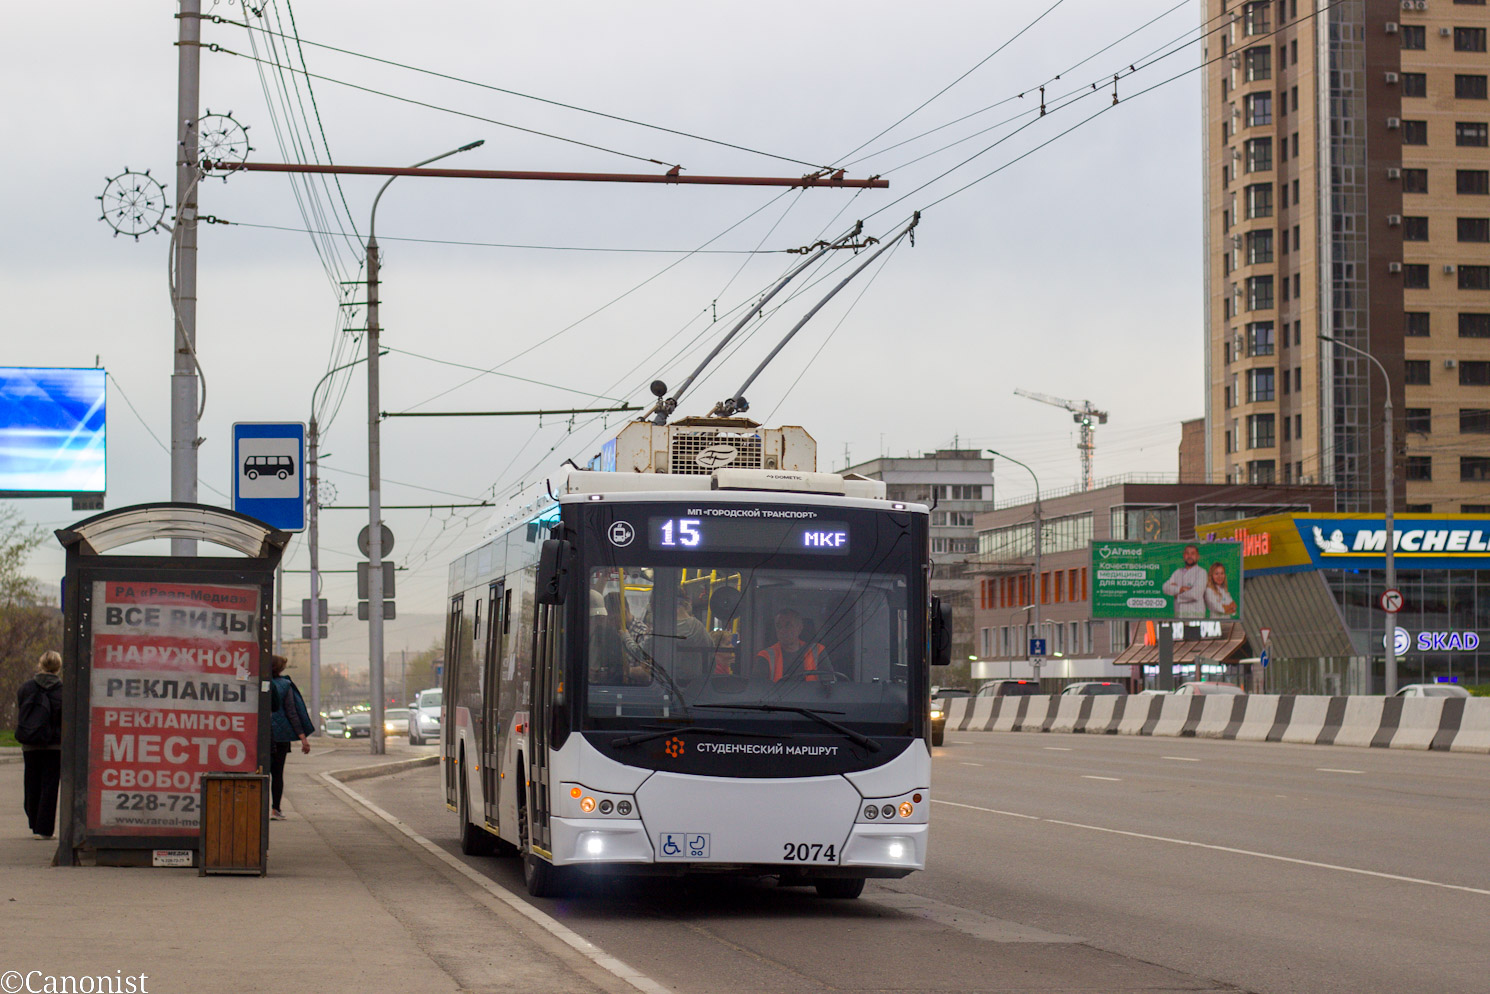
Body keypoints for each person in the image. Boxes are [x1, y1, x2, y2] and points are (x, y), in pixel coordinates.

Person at [16, 650, 63, 839]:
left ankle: (34, 820)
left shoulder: (26, 688)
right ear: (58, 667)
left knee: (31, 782)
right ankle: (44, 829)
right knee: (49, 785)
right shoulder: (63, 690)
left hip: (31, 743)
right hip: (54, 745)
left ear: (41, 665)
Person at [268, 655, 311, 821]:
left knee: (260, 773)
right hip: (281, 736)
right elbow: (292, 712)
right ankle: (275, 810)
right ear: (279, 669)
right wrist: (303, 738)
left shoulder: (258, 682)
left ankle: (256, 808)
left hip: (262, 734)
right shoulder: (285, 685)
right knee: (277, 774)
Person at [756, 608, 833, 682]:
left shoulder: (817, 651)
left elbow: (830, 683)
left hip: (812, 692)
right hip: (777, 692)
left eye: (788, 625)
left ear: (799, 628)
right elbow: (758, 687)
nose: (782, 630)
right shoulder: (766, 656)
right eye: (779, 626)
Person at [1162, 544, 1208, 619]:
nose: (1189, 556)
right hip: (1178, 617)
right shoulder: (1177, 572)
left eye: (1192, 553)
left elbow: (1195, 594)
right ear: (1183, 556)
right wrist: (1181, 589)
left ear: (1198, 556)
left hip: (1195, 616)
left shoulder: (1201, 572)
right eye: (1187, 553)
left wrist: (1177, 595)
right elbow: (1165, 588)